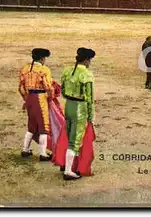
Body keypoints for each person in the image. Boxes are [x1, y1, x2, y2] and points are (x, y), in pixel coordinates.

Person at [60, 47, 96, 180]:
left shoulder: (67, 70)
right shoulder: (86, 74)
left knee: (69, 136)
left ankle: (69, 165)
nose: (90, 63)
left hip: (68, 105)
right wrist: (91, 116)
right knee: (74, 141)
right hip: (80, 108)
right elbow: (90, 98)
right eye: (90, 60)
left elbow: (63, 91)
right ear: (86, 60)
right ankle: (68, 171)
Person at [18, 48, 53, 161]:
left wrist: (26, 99)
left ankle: (25, 150)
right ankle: (43, 154)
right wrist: (51, 95)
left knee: (31, 125)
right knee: (43, 126)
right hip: (39, 99)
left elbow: (21, 88)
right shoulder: (44, 70)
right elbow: (48, 87)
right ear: (42, 59)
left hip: (29, 99)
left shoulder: (25, 69)